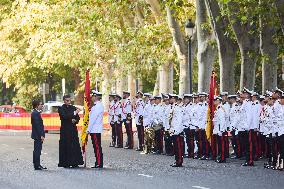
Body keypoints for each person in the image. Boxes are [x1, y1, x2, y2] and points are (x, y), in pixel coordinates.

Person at [58, 95, 84, 168]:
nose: (69, 102)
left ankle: (75, 162)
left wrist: (75, 120)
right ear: (64, 100)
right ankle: (66, 163)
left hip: (72, 129)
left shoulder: (73, 108)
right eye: (67, 100)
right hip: (65, 130)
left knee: (74, 146)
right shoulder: (61, 108)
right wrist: (74, 114)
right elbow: (64, 116)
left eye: (69, 100)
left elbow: (77, 118)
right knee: (66, 146)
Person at [88, 91, 104, 168]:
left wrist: (88, 129)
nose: (91, 98)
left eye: (93, 96)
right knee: (97, 146)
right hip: (95, 129)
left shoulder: (97, 106)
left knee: (97, 147)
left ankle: (99, 162)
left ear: (96, 97)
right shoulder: (96, 106)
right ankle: (98, 162)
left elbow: (93, 119)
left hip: (95, 129)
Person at [169, 94, 185, 167]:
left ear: (173, 98)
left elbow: (179, 120)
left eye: (170, 98)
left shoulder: (177, 108)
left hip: (177, 130)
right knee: (175, 147)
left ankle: (179, 161)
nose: (169, 100)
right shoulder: (174, 107)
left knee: (178, 147)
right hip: (174, 129)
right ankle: (177, 160)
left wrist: (176, 130)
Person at [31, 100, 47, 170]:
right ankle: (37, 165)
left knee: (37, 150)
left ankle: (37, 164)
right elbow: (38, 126)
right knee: (37, 150)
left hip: (37, 134)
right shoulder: (35, 113)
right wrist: (42, 135)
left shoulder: (35, 112)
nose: (42, 105)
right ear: (37, 105)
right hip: (38, 135)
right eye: (41, 104)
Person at [212, 96, 227, 163]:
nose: (214, 102)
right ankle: (220, 156)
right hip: (217, 130)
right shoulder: (217, 109)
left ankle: (222, 158)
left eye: (215, 100)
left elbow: (222, 121)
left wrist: (221, 130)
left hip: (220, 130)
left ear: (218, 101)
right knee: (219, 145)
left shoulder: (220, 109)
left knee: (221, 145)